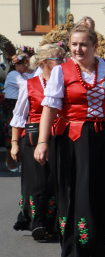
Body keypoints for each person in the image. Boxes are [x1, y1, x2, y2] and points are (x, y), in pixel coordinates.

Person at [34, 23, 105, 257]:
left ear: (95, 46)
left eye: (83, 44)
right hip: (74, 140)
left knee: (104, 192)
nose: (78, 49)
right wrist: (43, 141)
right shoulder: (62, 72)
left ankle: (99, 249)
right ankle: (81, 254)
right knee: (79, 194)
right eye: (74, 44)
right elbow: (50, 108)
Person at [11, 43, 65, 240]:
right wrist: (15, 142)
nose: (62, 62)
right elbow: (19, 117)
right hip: (34, 140)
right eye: (58, 59)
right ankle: (38, 223)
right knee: (37, 183)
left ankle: (55, 224)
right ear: (45, 63)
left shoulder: (64, 83)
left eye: (62, 58)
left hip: (60, 137)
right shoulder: (30, 85)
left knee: (57, 181)